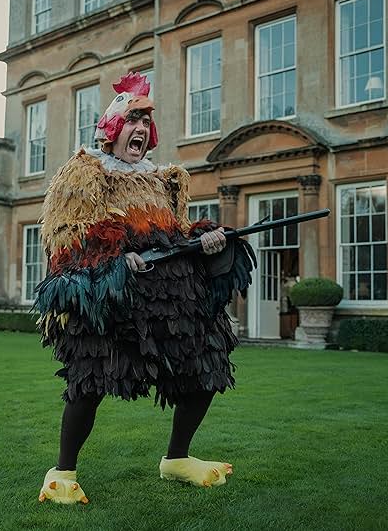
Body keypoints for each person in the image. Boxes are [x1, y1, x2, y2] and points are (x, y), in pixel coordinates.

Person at [34, 72, 254, 505]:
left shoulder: (165, 179)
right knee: (91, 379)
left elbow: (176, 234)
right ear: (114, 127)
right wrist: (114, 255)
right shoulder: (86, 173)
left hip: (171, 300)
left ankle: (176, 459)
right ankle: (61, 473)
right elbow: (65, 235)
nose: (141, 129)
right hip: (115, 298)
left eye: (146, 122)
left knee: (206, 364)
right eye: (133, 119)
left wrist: (207, 239)